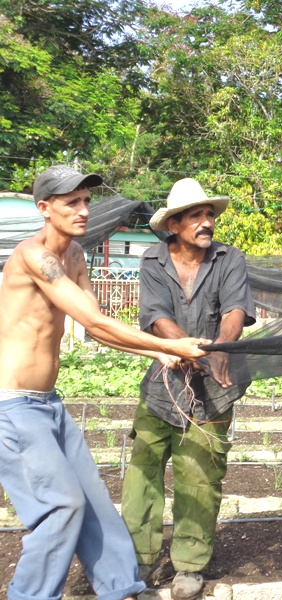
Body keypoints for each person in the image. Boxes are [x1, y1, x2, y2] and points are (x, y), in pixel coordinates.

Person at [0, 165, 211, 600]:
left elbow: (97, 330)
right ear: (44, 208)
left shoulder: (74, 255)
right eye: (70, 202)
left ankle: (121, 589)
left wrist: (155, 351)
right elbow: (93, 318)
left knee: (94, 503)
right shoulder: (32, 256)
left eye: (86, 201)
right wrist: (171, 346)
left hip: (48, 404)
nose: (82, 210)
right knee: (61, 506)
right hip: (12, 405)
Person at [121, 178, 256, 600]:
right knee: (142, 474)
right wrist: (185, 347)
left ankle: (190, 565)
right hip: (163, 384)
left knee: (200, 476)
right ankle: (139, 559)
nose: (207, 222)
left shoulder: (229, 258)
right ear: (175, 224)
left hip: (215, 388)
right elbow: (156, 315)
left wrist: (220, 348)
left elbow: (236, 308)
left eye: (210, 214)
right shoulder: (153, 260)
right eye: (197, 215)